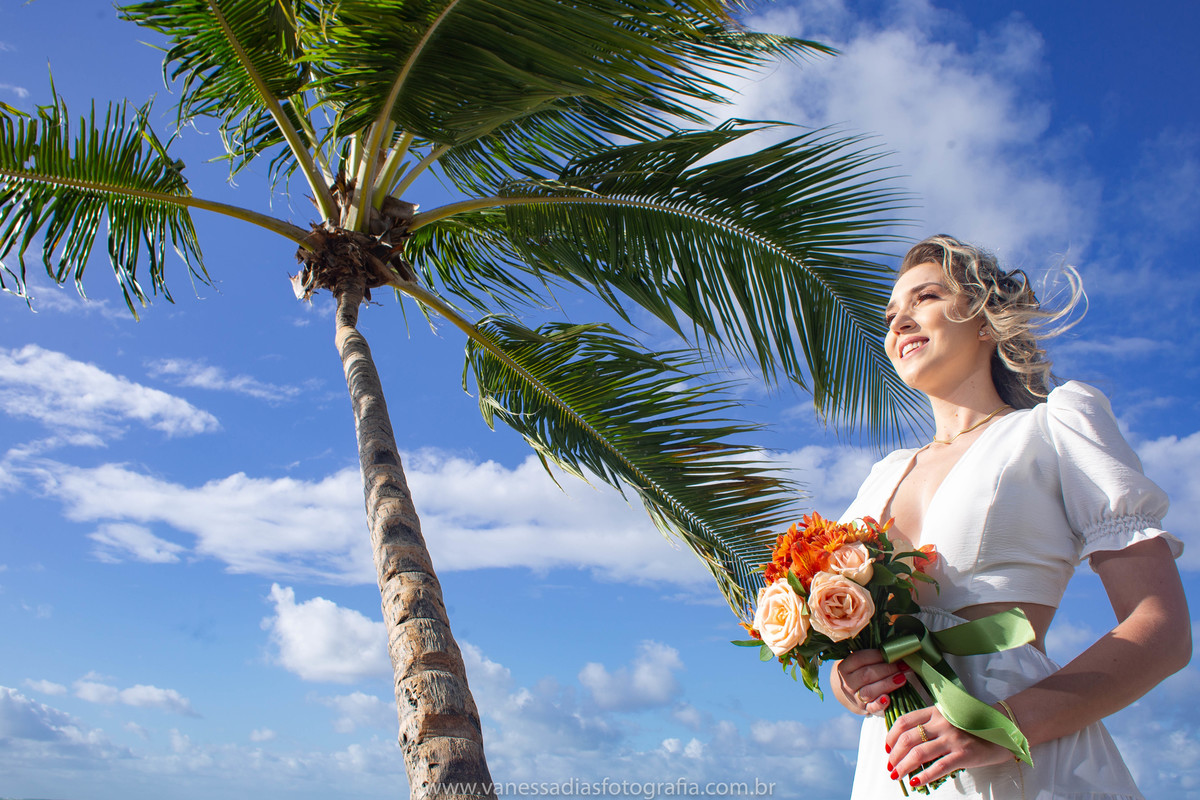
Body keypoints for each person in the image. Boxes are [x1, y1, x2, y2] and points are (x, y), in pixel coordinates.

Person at [830, 235, 1190, 798]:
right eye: (890, 315)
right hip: (899, 760)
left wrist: (999, 727)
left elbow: (1161, 631)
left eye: (924, 298)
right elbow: (854, 646)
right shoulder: (881, 478)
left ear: (984, 319)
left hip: (1030, 756)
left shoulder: (1054, 427)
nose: (899, 323)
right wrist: (849, 679)